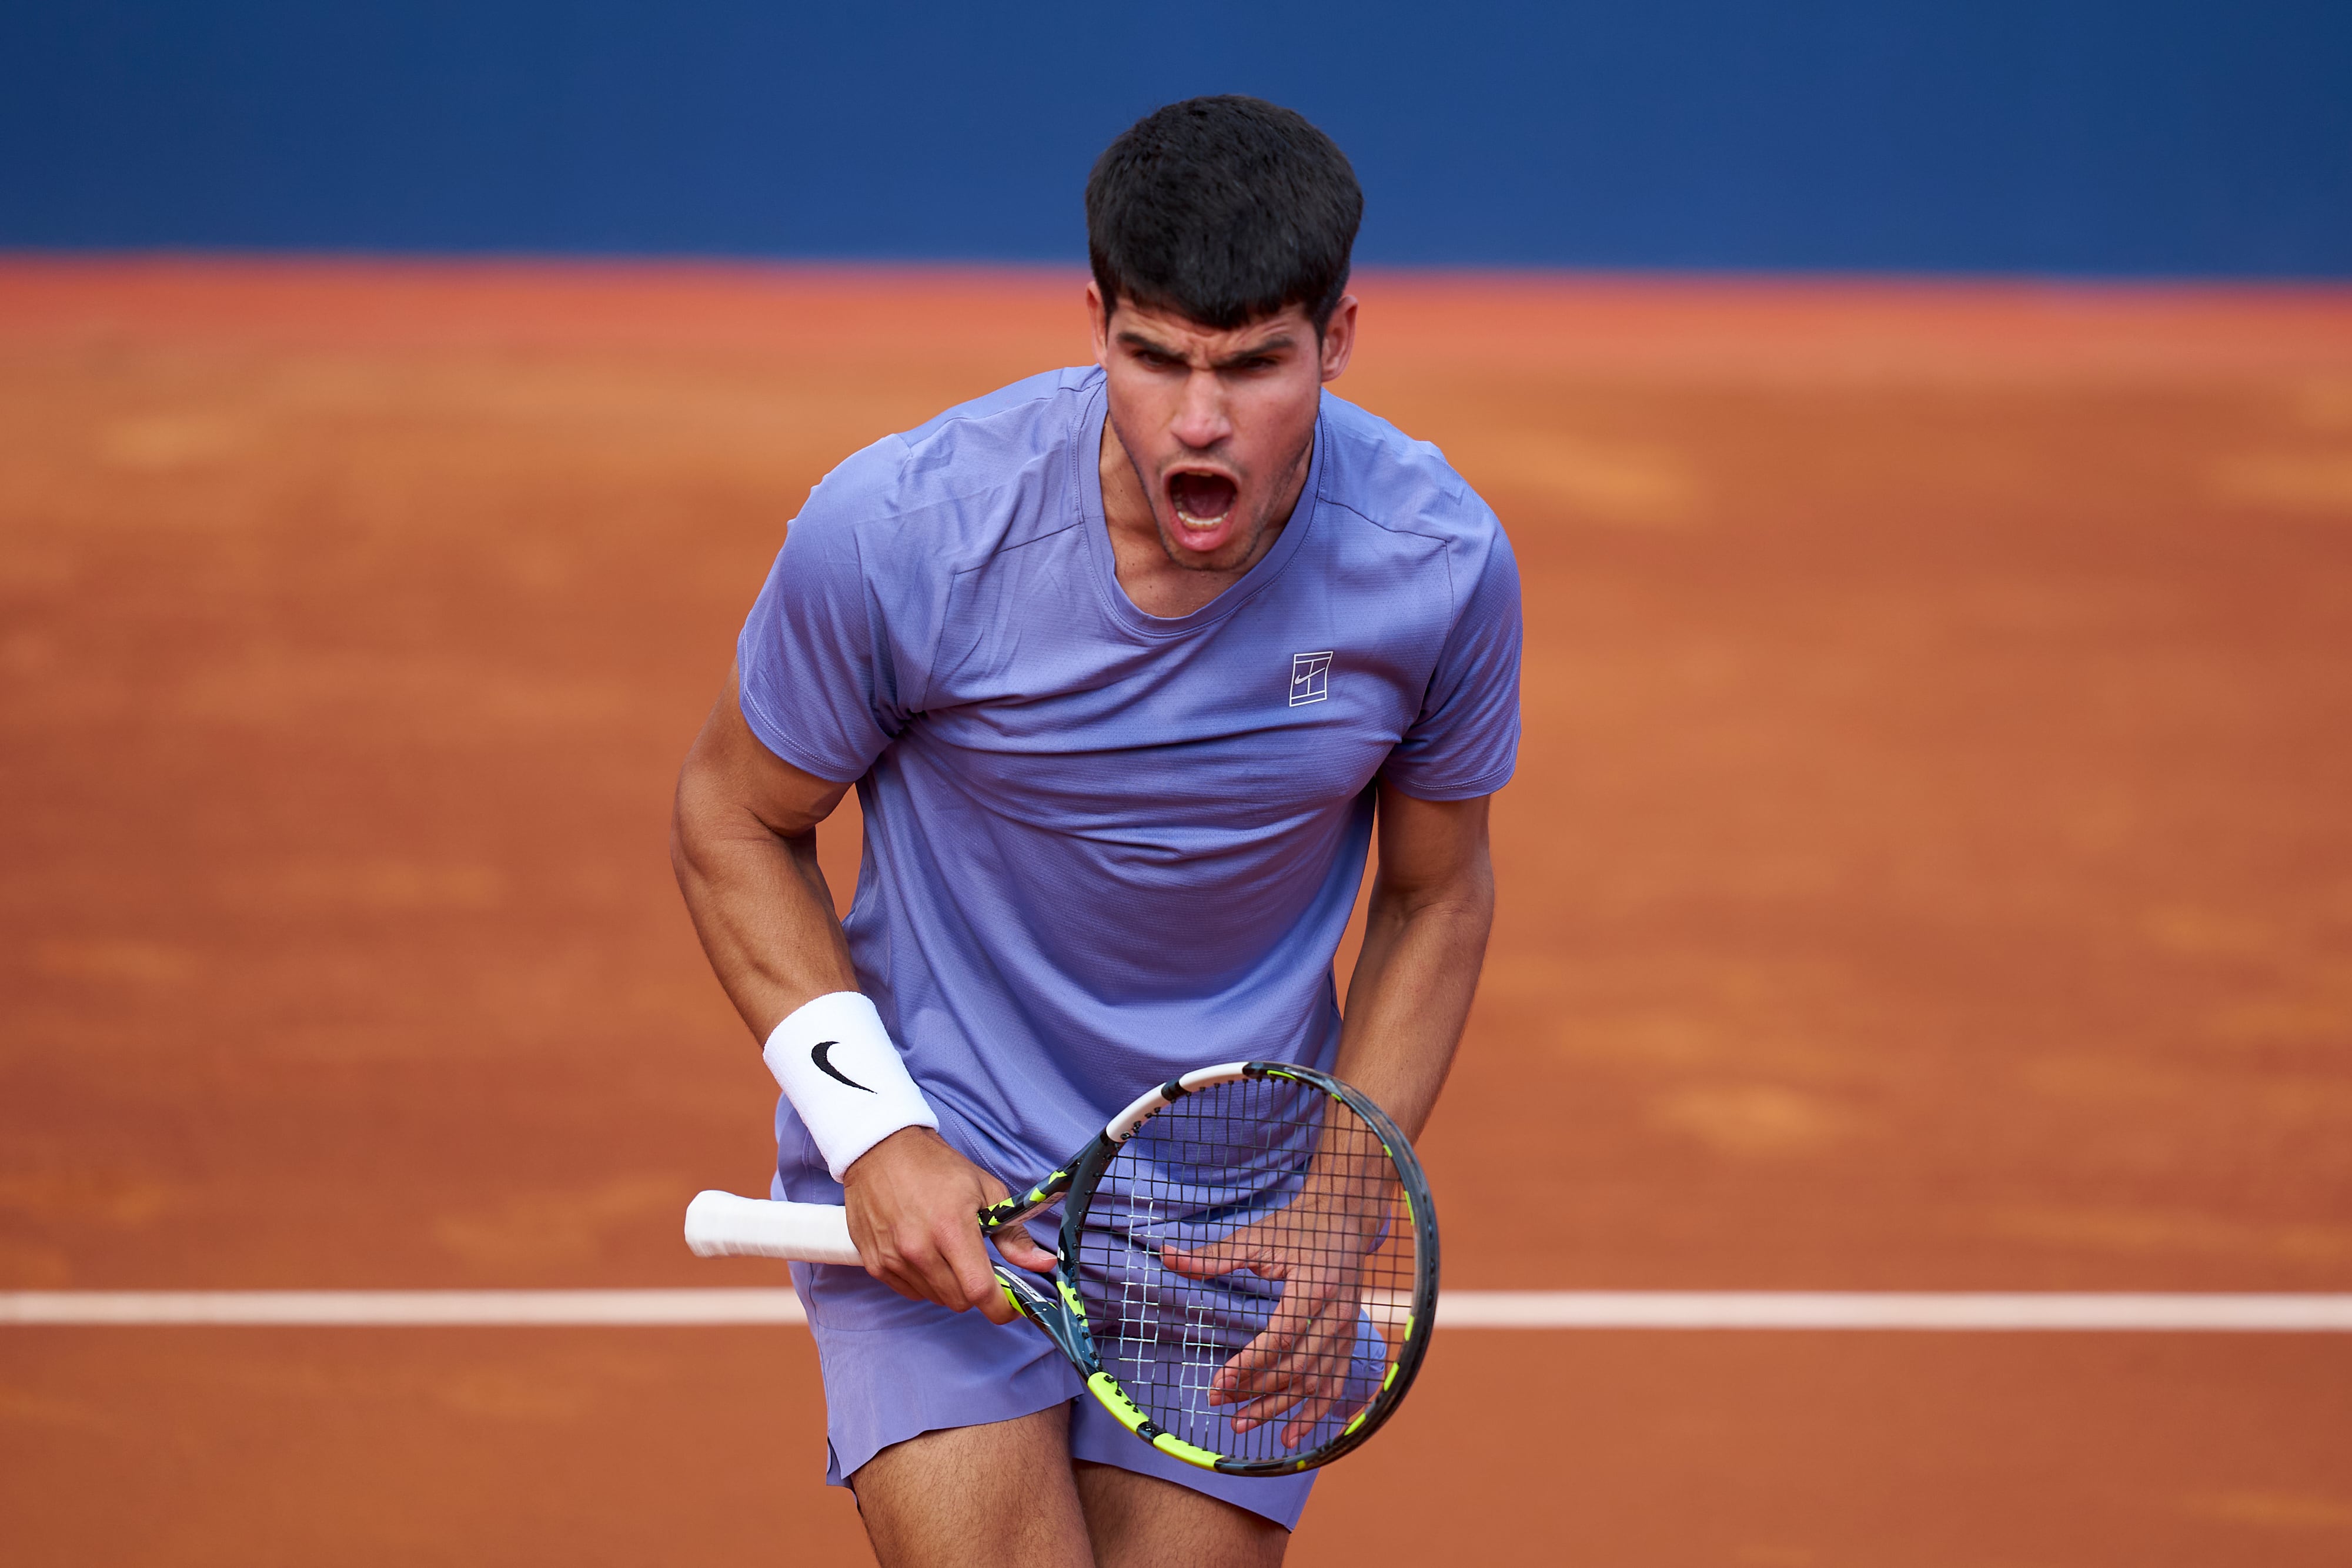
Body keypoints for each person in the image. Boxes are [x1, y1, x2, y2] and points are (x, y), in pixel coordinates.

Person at [671, 95, 1521, 1568]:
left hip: (1233, 1203)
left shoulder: (1434, 568)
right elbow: (732, 817)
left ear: (1336, 339)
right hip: (957, 1159)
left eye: (1253, 364)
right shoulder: (903, 534)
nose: (1199, 418)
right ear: (1094, 324)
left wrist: (1342, 1186)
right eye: (1154, 358)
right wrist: (874, 1126)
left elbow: (1433, 895)